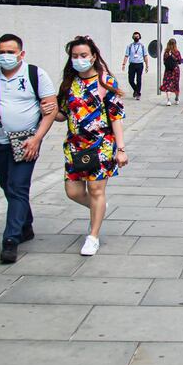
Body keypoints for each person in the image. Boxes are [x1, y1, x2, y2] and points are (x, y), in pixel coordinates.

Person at [0, 34, 58, 264]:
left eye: (10, 52)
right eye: (1, 52)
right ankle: (25, 225)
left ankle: (11, 239)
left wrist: (37, 138)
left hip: (26, 140)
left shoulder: (35, 75)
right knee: (8, 186)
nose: (5, 56)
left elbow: (51, 109)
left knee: (18, 186)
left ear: (21, 54)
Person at [56, 36, 128, 256]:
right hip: (75, 145)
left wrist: (121, 149)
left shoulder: (106, 81)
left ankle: (93, 236)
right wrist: (46, 110)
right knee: (73, 191)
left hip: (101, 144)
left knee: (96, 189)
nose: (79, 60)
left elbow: (116, 116)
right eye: (75, 56)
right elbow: (62, 114)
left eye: (83, 55)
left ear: (93, 56)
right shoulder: (69, 83)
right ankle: (99, 208)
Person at [122, 32, 148, 100]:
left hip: (139, 64)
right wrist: (123, 64)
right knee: (130, 80)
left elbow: (145, 56)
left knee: (138, 79)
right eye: (135, 36)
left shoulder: (142, 46)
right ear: (133, 37)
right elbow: (126, 55)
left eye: (137, 36)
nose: (136, 37)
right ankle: (136, 90)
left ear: (139, 37)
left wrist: (147, 65)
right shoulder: (130, 46)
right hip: (132, 65)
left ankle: (138, 93)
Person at [161, 38, 182, 106]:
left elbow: (164, 61)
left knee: (167, 84)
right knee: (176, 84)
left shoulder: (166, 52)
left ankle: (168, 100)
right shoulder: (177, 52)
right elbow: (180, 61)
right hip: (175, 70)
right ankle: (177, 98)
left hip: (168, 70)